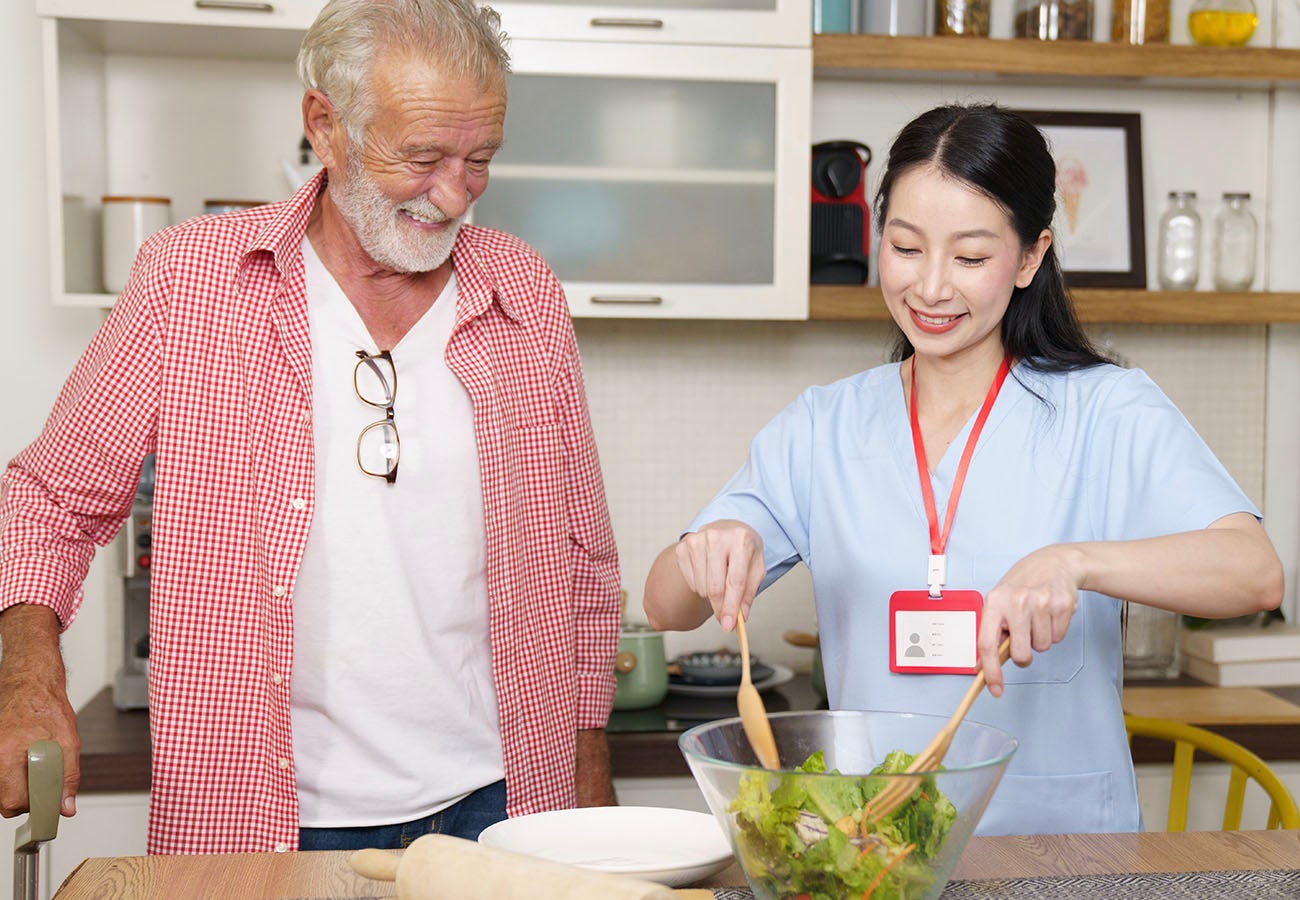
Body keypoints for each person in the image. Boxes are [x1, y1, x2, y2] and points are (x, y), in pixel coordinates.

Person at [0, 0, 621, 854]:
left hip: (505, 804)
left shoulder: (525, 294)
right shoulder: (192, 284)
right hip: (268, 815)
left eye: (480, 160)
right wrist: (28, 676)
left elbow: (581, 559)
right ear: (325, 126)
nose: (454, 195)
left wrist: (588, 768)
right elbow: (49, 502)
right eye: (423, 157)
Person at [643, 103, 1284, 836]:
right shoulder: (823, 426)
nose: (932, 287)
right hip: (877, 851)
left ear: (1031, 258)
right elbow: (668, 608)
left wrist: (1074, 563)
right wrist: (710, 546)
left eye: (971, 257)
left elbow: (1254, 573)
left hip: (1065, 855)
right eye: (906, 247)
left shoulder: (1107, 409)